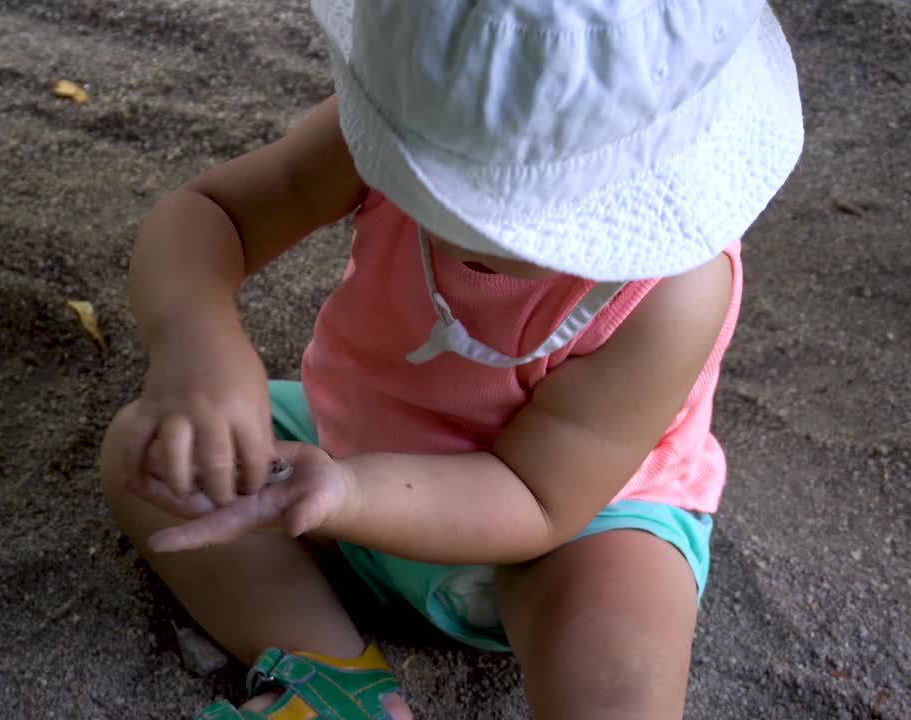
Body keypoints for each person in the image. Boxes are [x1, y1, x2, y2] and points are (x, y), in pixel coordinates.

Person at [100, 0, 804, 717]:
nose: (440, 212)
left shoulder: (675, 291)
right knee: (149, 454)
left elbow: (539, 496)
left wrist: (348, 495)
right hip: (349, 444)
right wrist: (198, 344)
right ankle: (335, 678)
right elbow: (212, 213)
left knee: (619, 683)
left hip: (568, 528)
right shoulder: (405, 133)